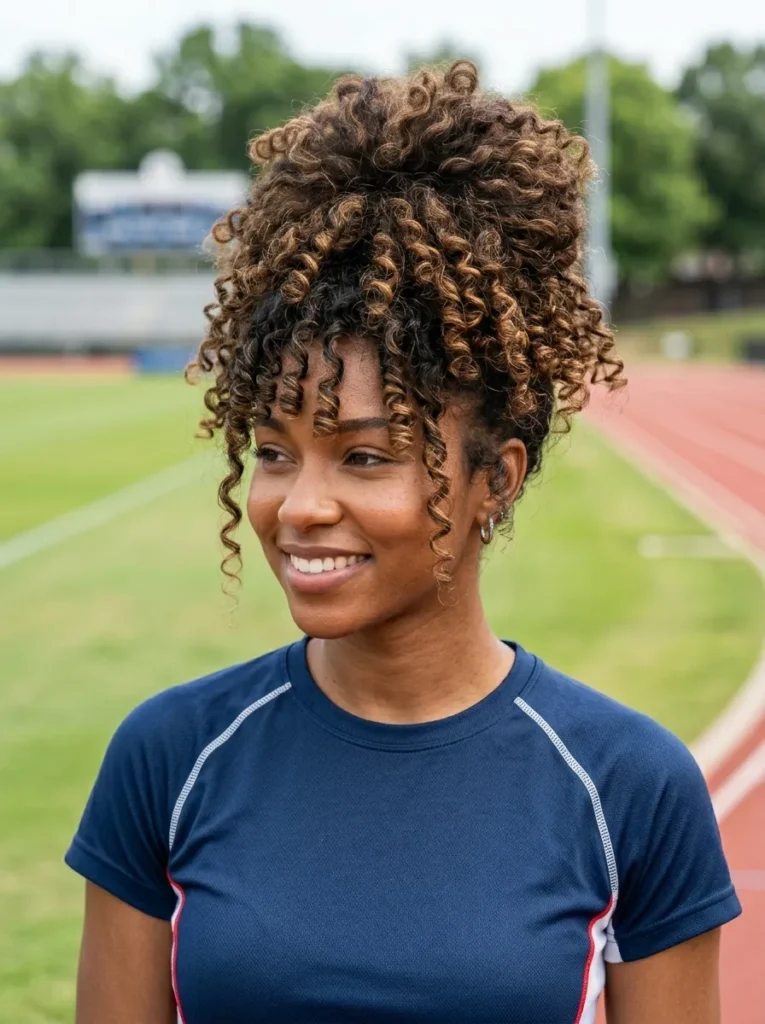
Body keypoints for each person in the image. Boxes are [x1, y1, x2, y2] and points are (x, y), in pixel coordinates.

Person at [66, 61, 741, 1024]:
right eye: (272, 451)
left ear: (494, 480)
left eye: (366, 457)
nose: (298, 505)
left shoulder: (627, 785)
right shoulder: (170, 759)